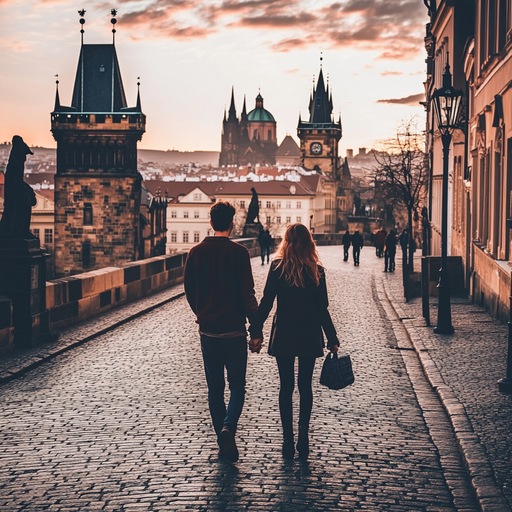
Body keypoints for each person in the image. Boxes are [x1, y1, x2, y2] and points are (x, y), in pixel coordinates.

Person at [184, 201, 263, 463]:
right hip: (234, 332)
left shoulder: (195, 252)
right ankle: (229, 428)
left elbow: (190, 291)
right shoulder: (239, 253)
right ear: (231, 223)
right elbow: (247, 295)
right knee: (237, 387)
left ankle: (223, 438)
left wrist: (202, 312)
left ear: (211, 222)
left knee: (214, 390)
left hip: (208, 333)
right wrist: (257, 328)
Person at [253, 224, 339, 460]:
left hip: (285, 333)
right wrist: (332, 338)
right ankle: (303, 435)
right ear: (310, 243)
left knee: (286, 387)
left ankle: (287, 440)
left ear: (286, 243)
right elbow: (323, 310)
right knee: (305, 387)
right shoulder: (317, 271)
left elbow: (267, 302)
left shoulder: (277, 268)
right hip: (309, 333)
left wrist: (256, 328)